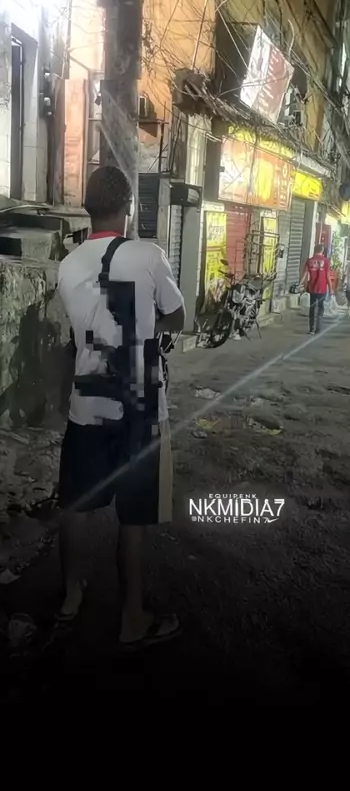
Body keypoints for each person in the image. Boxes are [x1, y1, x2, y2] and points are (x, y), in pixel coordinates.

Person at [57, 166, 185, 649]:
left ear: (88, 208)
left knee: (76, 505)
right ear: (128, 207)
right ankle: (132, 618)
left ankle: (70, 598)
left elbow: (77, 333)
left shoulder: (68, 264)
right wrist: (150, 324)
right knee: (134, 517)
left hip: (86, 404)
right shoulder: (148, 255)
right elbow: (180, 316)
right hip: (139, 408)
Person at [300, 244, 333, 335]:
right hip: (322, 288)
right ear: (322, 251)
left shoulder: (309, 260)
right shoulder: (326, 261)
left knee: (312, 308)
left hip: (312, 288)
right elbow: (327, 276)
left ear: (315, 250)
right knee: (320, 309)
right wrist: (331, 289)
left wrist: (300, 284)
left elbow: (305, 274)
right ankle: (318, 329)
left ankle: (311, 329)